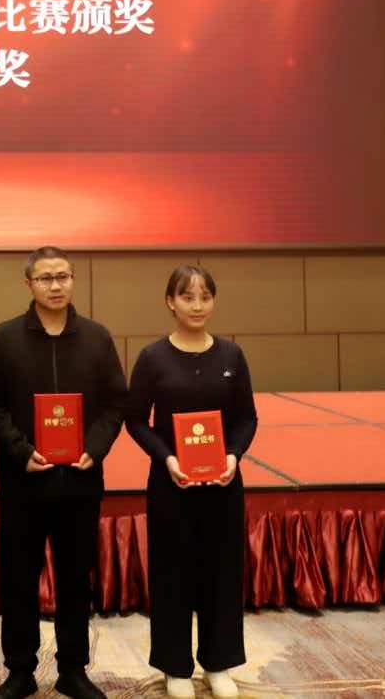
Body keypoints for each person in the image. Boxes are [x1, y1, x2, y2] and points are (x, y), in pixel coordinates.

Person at [0, 246, 126, 699]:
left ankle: (73, 670)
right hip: (23, 482)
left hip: (80, 482)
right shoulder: (5, 338)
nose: (55, 285)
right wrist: (20, 451)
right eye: (45, 278)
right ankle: (20, 670)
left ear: (73, 279)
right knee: (18, 580)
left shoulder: (97, 337)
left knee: (76, 581)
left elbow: (116, 402)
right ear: (29, 284)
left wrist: (95, 448)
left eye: (63, 276)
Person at [125, 265, 258, 699]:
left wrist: (233, 455)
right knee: (172, 574)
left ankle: (218, 663)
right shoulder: (153, 358)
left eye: (205, 297)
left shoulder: (231, 356)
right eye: (187, 297)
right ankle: (175, 666)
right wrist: (166, 458)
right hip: (172, 486)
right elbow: (135, 421)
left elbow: (246, 418)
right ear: (171, 302)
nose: (197, 306)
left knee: (222, 573)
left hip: (223, 485)